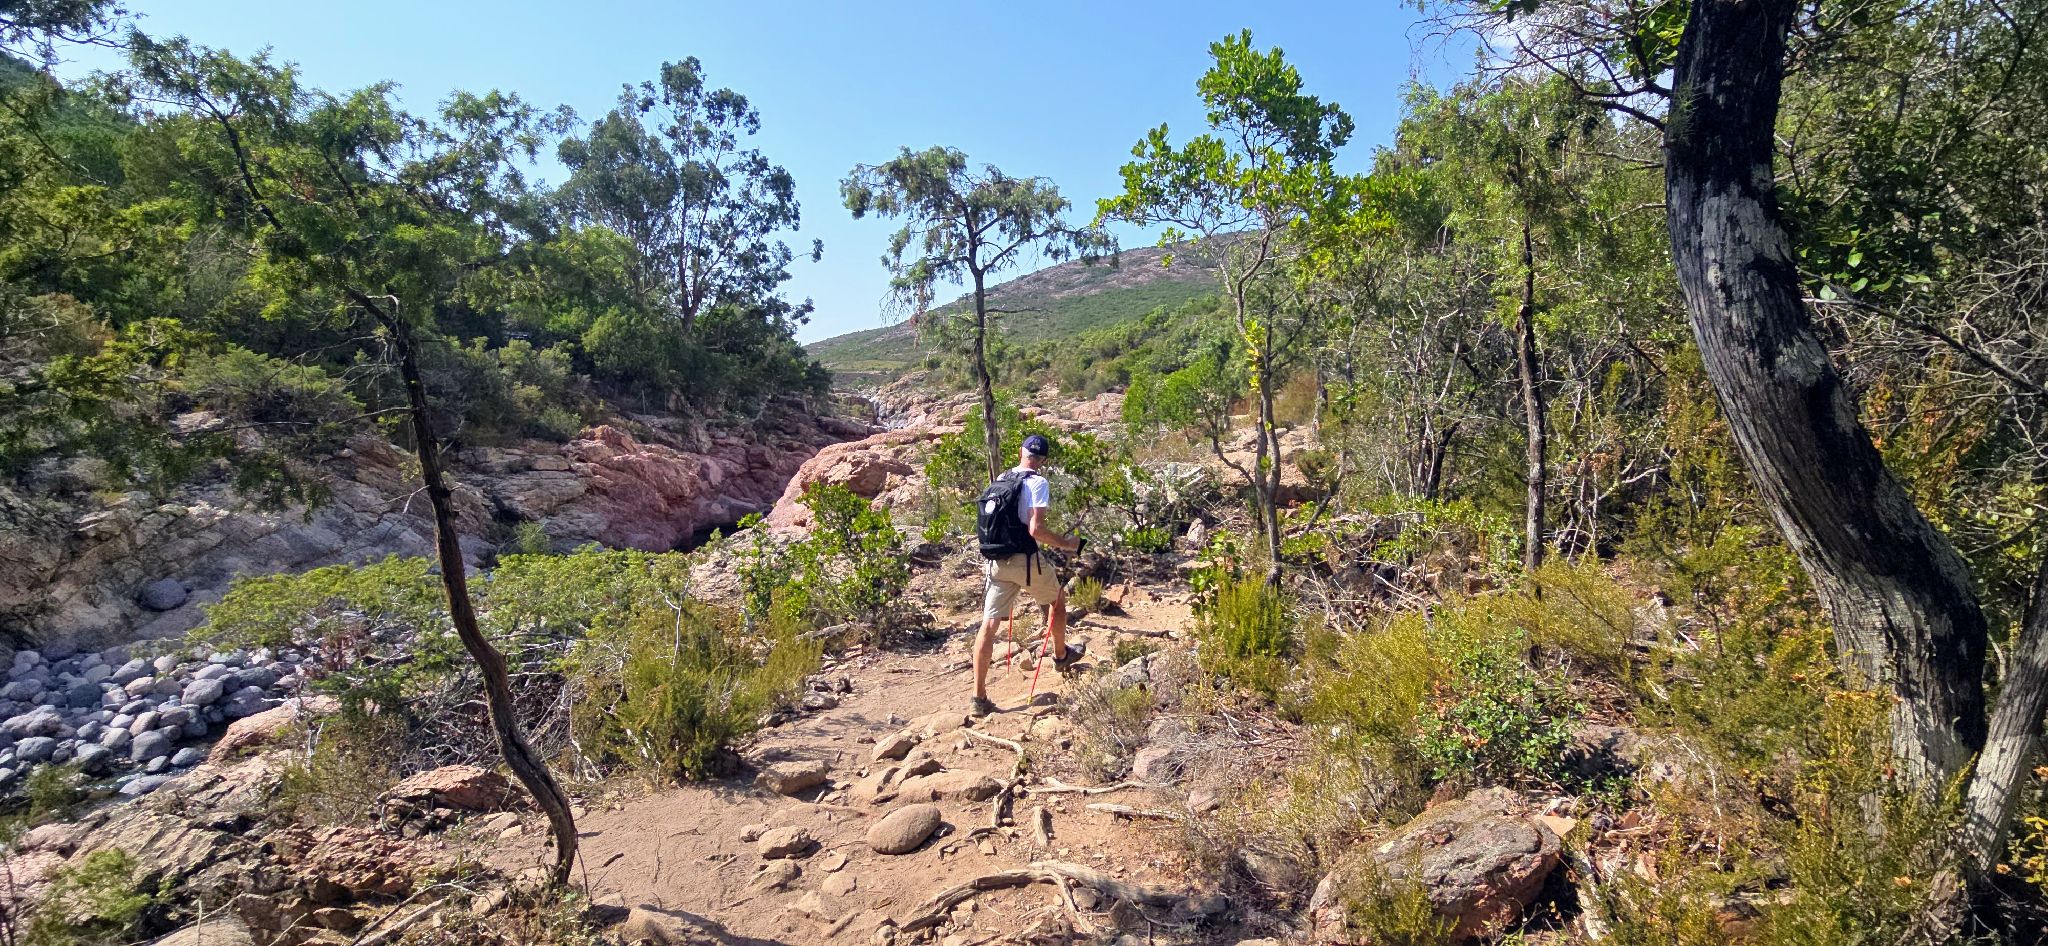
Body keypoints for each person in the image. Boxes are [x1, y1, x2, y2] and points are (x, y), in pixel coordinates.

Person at [971, 433, 1085, 715]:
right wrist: (1067, 544)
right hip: (1025, 560)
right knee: (1057, 601)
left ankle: (979, 698)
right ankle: (1061, 656)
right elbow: (1036, 530)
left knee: (989, 625)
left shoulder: (1002, 477)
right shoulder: (1038, 482)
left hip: (996, 561)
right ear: (1043, 460)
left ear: (1021, 452)